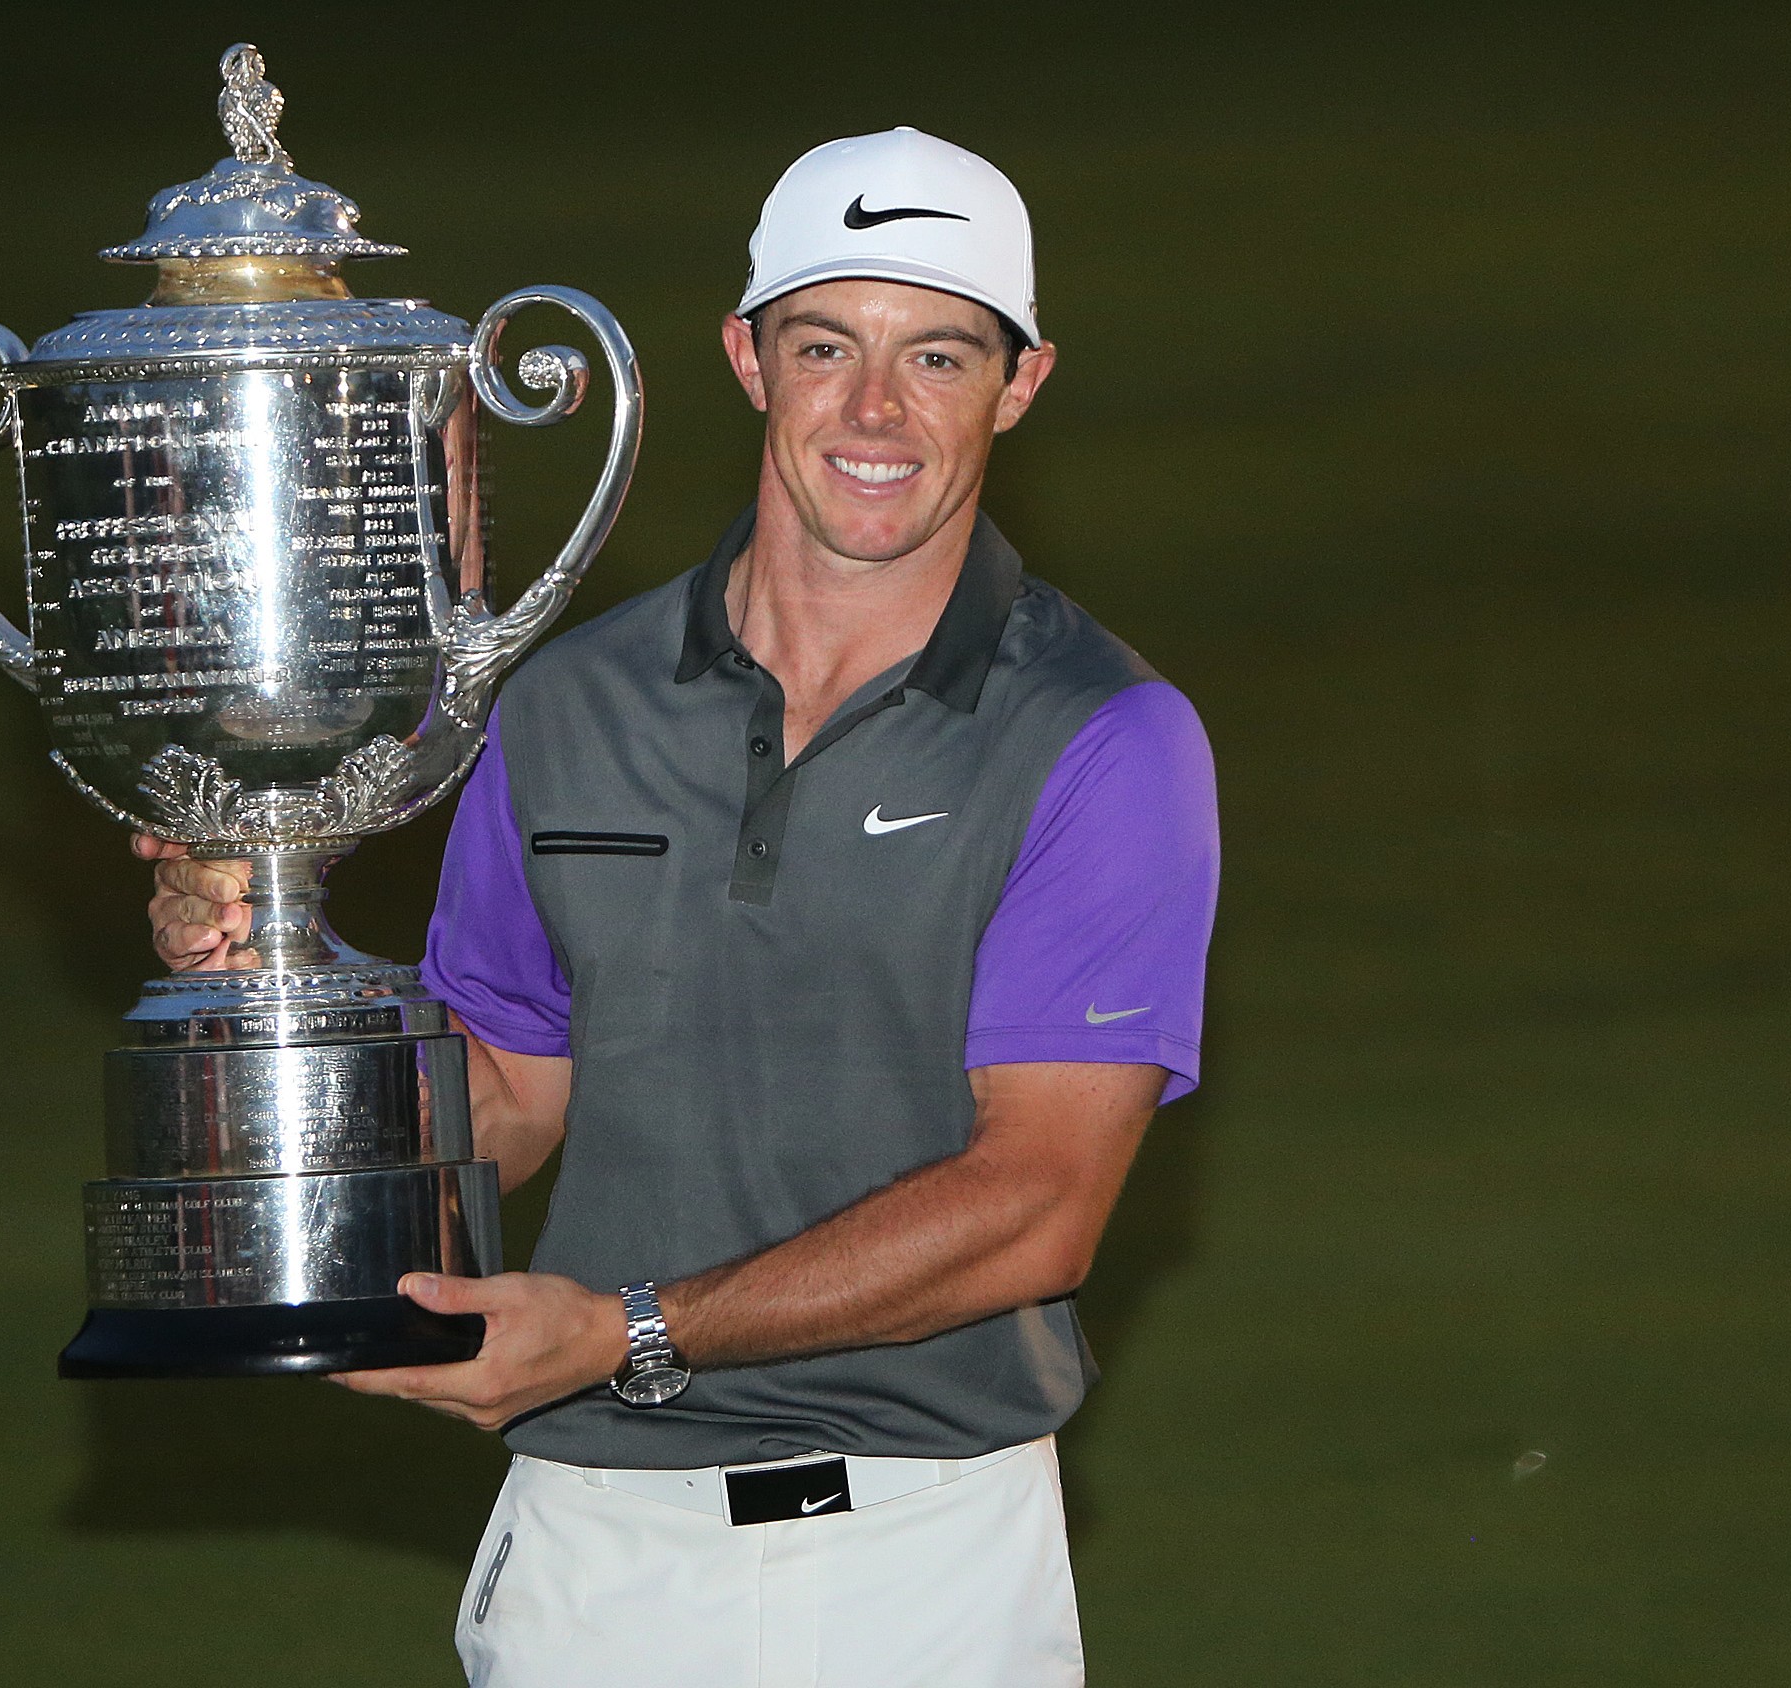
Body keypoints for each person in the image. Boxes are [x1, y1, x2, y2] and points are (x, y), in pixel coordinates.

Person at [142, 126, 1219, 1688]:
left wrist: (630, 1332)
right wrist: (277, 980)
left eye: (938, 354)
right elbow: (504, 1098)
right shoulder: (572, 703)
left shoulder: (1105, 736)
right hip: (589, 1557)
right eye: (824, 346)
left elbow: (1039, 1206)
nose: (875, 411)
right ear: (746, 359)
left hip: (920, 1561)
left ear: (1022, 382)